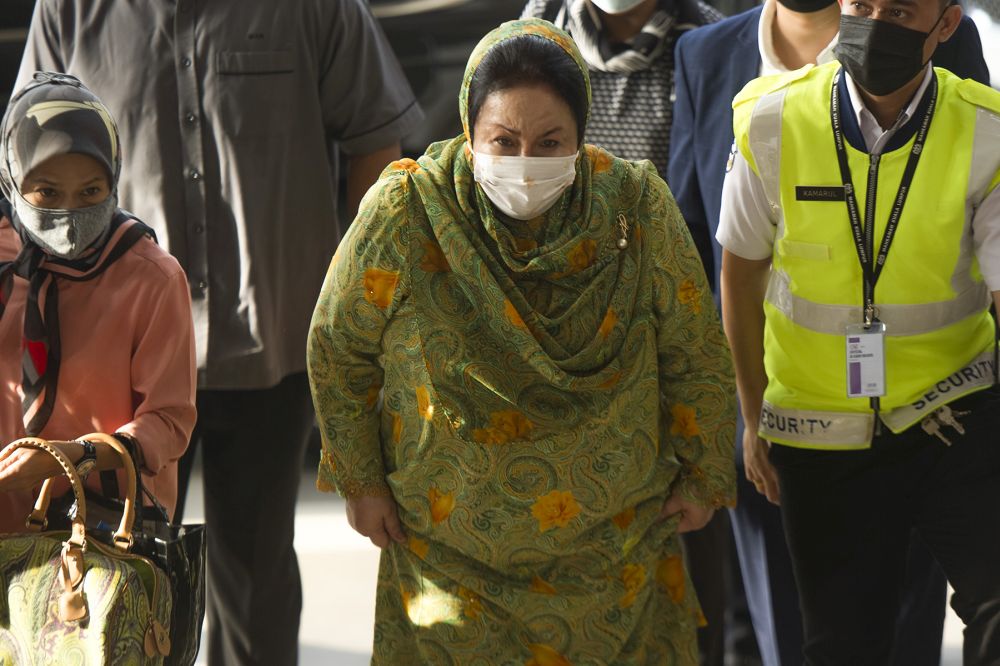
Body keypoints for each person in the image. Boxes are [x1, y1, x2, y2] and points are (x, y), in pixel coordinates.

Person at [308, 18, 737, 664]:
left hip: (612, 561)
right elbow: (338, 345)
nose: (525, 164)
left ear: (581, 135)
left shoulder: (635, 208)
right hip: (448, 564)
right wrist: (360, 479)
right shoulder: (410, 211)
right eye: (502, 142)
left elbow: (694, 345)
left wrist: (706, 473)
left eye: (549, 142)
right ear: (469, 132)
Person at [16, 1, 424, 663]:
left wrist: (359, 291)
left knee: (256, 582)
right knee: (103, 578)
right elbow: (28, 154)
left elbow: (375, 136)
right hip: (118, 359)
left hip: (269, 341)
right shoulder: (69, 11)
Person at [668, 1, 990, 663]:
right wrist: (752, 417)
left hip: (949, 415)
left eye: (899, 10)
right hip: (817, 431)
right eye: (861, 6)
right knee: (843, 642)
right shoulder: (771, 116)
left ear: (946, 26)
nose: (875, 24)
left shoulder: (986, 129)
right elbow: (740, 276)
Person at [519, 4, 745, 663]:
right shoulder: (531, 39)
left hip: (668, 345)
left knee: (690, 572)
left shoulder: (706, 44)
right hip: (553, 349)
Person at [0, 73, 196, 531]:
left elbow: (168, 421)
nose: (69, 215)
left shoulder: (152, 279)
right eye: (47, 192)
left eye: (91, 191)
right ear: (11, 181)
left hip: (100, 536)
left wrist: (71, 458)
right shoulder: (6, 262)